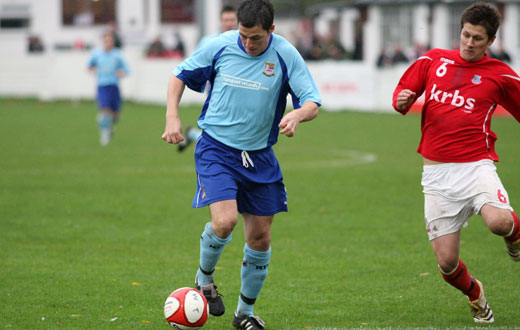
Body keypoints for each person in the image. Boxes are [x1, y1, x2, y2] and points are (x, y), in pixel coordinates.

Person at [161, 0, 321, 329]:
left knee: (260, 238)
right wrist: (172, 117)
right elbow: (178, 76)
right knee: (225, 221)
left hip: (260, 156)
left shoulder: (285, 54)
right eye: (244, 36)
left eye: (256, 38)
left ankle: (244, 315)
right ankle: (204, 280)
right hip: (216, 148)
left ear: (272, 31)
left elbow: (312, 101)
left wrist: (296, 115)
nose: (248, 44)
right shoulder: (220, 46)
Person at [392, 2, 520, 323]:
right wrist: (403, 101)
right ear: (459, 31)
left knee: (499, 223)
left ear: (491, 41)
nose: (469, 43)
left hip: (476, 166)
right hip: (436, 176)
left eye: (478, 38)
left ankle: (513, 237)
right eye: (465, 35)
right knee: (448, 264)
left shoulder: (501, 75)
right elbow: (401, 93)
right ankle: (475, 293)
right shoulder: (433, 60)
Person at [177, 5, 238, 153]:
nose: (229, 23)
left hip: (238, 90)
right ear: (220, 21)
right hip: (215, 91)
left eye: (232, 19)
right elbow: (196, 64)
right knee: (222, 132)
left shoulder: (244, 41)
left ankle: (193, 134)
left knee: (229, 133)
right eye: (226, 19)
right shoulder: (209, 41)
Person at [87, 32, 130, 146]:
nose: (108, 43)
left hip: (114, 86)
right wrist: (92, 69)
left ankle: (107, 124)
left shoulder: (117, 55)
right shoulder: (97, 55)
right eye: (106, 40)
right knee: (105, 110)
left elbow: (126, 69)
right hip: (102, 86)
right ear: (103, 42)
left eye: (110, 41)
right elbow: (89, 65)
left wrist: (122, 72)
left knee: (116, 116)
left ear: (113, 42)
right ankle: (104, 135)